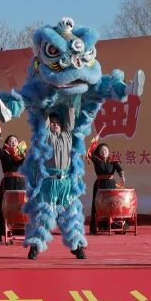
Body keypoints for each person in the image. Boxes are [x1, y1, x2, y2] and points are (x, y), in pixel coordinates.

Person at [23, 108, 88, 260]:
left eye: (58, 122)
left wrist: (70, 104)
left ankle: (77, 246)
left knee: (71, 215)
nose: (55, 124)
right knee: (43, 216)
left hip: (66, 184)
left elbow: (70, 118)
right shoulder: (46, 137)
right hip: (48, 183)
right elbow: (44, 119)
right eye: (52, 123)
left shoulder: (67, 135)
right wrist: (47, 103)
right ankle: (35, 247)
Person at [0, 118, 27, 243]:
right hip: (7, 183)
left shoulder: (22, 154)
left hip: (20, 183)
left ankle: (20, 231)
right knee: (3, 207)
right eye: (11, 141)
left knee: (20, 207)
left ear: (18, 143)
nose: (13, 142)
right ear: (7, 143)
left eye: (15, 141)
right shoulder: (4, 153)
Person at [87, 142, 124, 235]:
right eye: (102, 150)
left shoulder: (113, 160)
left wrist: (122, 177)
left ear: (108, 151)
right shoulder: (96, 160)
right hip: (99, 185)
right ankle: (94, 228)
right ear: (99, 152)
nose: (104, 151)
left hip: (111, 185)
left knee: (112, 205)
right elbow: (89, 152)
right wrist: (94, 142)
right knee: (97, 205)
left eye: (105, 150)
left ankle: (116, 226)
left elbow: (120, 169)